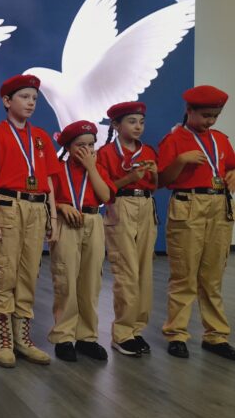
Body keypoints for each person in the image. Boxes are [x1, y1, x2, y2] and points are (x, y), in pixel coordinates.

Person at [0, 74, 59, 368]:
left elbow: (49, 181)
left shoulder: (40, 137)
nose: (30, 103)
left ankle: (23, 337)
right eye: (24, 97)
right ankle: (4, 339)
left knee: (29, 273)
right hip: (8, 206)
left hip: (37, 208)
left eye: (34, 98)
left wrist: (52, 215)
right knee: (4, 272)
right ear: (7, 101)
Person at [158, 85, 235, 360]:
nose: (210, 121)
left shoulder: (220, 139)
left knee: (212, 277)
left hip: (219, 205)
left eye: (215, 116)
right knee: (184, 275)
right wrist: (181, 161)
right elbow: (161, 180)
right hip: (188, 204)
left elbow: (231, 166)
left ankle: (216, 335)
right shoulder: (174, 140)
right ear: (189, 110)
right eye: (205, 115)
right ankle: (177, 334)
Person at [49, 121, 115, 362]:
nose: (87, 150)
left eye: (91, 145)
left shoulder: (98, 169)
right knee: (65, 279)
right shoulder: (58, 169)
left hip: (93, 220)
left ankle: (87, 337)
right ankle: (64, 336)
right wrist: (61, 206)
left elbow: (105, 196)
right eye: (80, 146)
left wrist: (91, 168)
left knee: (91, 281)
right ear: (68, 147)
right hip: (66, 223)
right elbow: (49, 198)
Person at [97, 102, 158, 357]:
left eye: (141, 122)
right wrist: (130, 179)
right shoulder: (106, 153)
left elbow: (155, 185)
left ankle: (136, 329)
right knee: (126, 270)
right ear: (116, 124)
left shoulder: (148, 151)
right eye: (132, 121)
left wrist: (154, 174)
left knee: (144, 271)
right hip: (120, 205)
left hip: (146, 205)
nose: (138, 127)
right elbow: (104, 189)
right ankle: (122, 333)